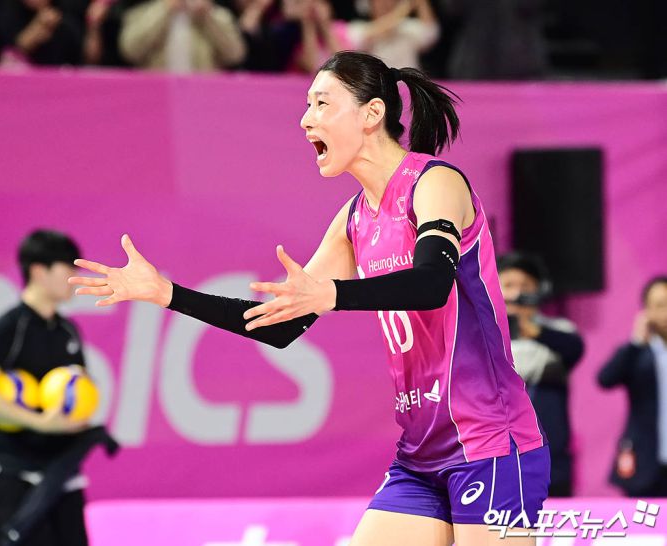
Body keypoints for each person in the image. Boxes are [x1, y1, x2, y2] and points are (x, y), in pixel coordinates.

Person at [70, 51, 549, 544]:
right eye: (307, 105)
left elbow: (431, 284)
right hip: (421, 453)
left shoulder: (436, 182)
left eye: (321, 103)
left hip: (490, 441)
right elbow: (279, 326)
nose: (305, 119)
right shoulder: (353, 219)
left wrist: (331, 294)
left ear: (372, 113)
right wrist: (166, 293)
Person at [0, 229, 92, 546]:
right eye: (68, 268)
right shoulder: (9, 328)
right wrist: (39, 422)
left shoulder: (68, 331)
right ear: (39, 271)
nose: (76, 279)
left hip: (61, 473)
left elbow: (80, 391)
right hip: (15, 471)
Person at [498, 252, 584, 497]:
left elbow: (574, 348)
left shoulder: (559, 330)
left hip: (550, 457)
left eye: (525, 286)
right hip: (495, 457)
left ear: (540, 290)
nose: (517, 294)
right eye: (509, 285)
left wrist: (533, 330)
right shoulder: (480, 335)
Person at [598, 276, 667, 497]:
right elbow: (605, 379)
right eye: (659, 305)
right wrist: (636, 342)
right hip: (645, 458)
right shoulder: (636, 352)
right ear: (646, 311)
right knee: (643, 518)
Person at [118, 0, 245, 72]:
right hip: (156, 93)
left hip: (202, 94)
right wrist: (165, 10)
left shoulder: (218, 15)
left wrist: (208, 17)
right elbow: (130, 51)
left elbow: (235, 55)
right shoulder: (142, 12)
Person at [346, 0, 439, 70]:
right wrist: (404, 9)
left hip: (409, 85)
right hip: (377, 86)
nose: (386, 3)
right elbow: (362, 40)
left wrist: (421, 3)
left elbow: (431, 33)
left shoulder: (408, 26)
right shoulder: (358, 28)